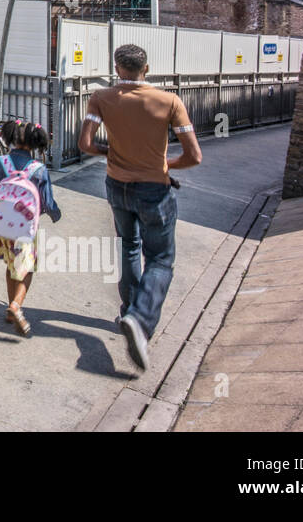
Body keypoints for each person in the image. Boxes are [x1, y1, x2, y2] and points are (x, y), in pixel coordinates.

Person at [78, 44, 202, 371]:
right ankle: (140, 318)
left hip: (116, 185)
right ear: (146, 68)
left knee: (129, 246)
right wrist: (165, 164)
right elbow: (194, 156)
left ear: (117, 68)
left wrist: (115, 153)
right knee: (161, 258)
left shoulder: (101, 98)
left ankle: (128, 309)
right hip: (154, 189)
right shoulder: (169, 101)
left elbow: (86, 144)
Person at [0, 120, 60, 336]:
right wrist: (55, 214)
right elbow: (46, 201)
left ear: (10, 138)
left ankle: (10, 308)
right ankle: (16, 306)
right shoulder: (39, 169)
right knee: (26, 268)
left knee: (11, 266)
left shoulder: (0, 163)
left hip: (3, 227)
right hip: (26, 230)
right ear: (36, 143)